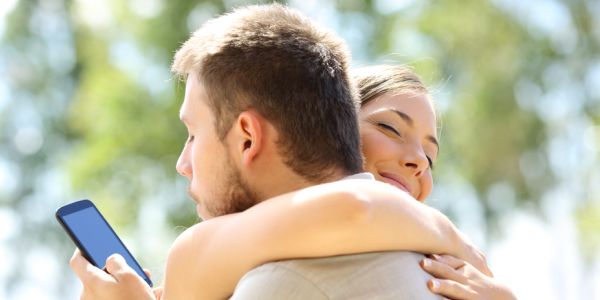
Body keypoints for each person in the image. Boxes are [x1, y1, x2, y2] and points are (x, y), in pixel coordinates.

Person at [68, 4, 510, 300]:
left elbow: (354, 207)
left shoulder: (283, 281)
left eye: (193, 134)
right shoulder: (439, 270)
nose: (183, 163)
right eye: (389, 128)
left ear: (247, 137)